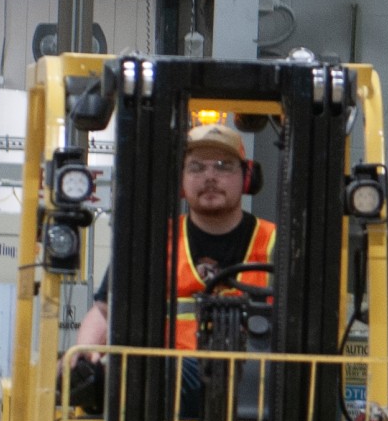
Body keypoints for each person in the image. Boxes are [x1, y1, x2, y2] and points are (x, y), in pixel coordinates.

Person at [77, 121, 277, 353]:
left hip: (257, 371)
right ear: (180, 178)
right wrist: (83, 352)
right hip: (167, 371)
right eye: (196, 167)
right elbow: (105, 311)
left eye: (223, 166)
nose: (210, 176)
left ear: (247, 177)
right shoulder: (153, 241)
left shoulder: (279, 243)